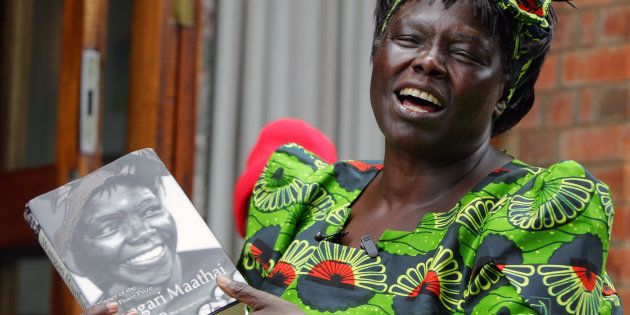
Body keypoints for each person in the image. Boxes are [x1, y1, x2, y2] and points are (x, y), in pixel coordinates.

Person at [92, 0, 623, 314]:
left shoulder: (538, 212)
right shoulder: (301, 196)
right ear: (377, 55)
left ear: (506, 87)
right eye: (408, 38)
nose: (428, 62)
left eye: (463, 53)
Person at [61, 151, 237, 315]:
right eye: (109, 228)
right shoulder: (105, 309)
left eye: (150, 210)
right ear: (72, 260)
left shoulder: (225, 278)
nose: (142, 232)